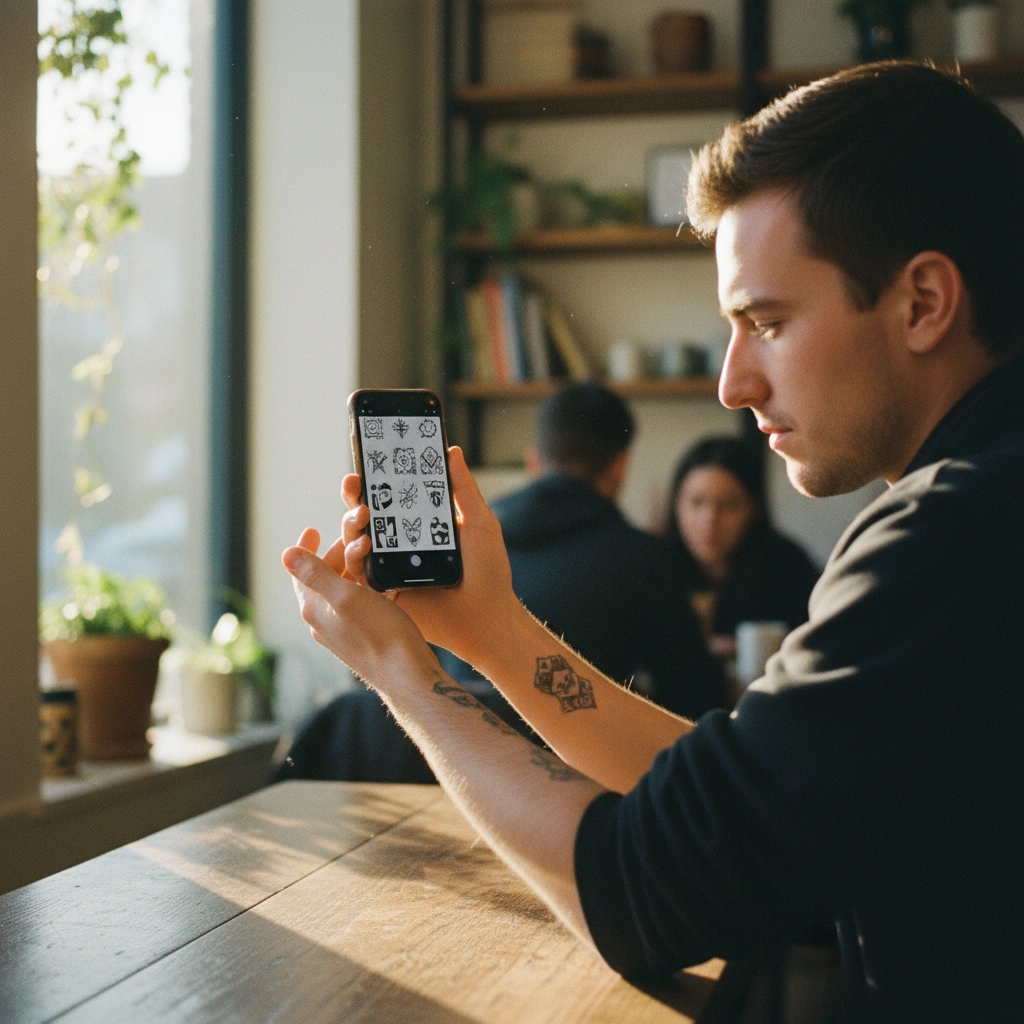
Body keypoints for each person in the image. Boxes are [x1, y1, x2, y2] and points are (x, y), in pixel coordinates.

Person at [283, 62, 1023, 1022]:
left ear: (923, 301)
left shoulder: (950, 532)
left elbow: (640, 894)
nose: (733, 384)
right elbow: (721, 805)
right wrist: (489, 631)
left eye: (768, 322)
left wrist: (404, 676)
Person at [439, 382, 727, 720]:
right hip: (574, 752)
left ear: (534, 461)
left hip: (457, 745)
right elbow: (697, 696)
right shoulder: (641, 557)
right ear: (620, 464)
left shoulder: (464, 539)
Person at [664, 435, 819, 654]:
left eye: (727, 505)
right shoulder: (655, 563)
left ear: (753, 508)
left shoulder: (787, 565)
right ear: (676, 505)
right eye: (696, 503)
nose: (709, 521)